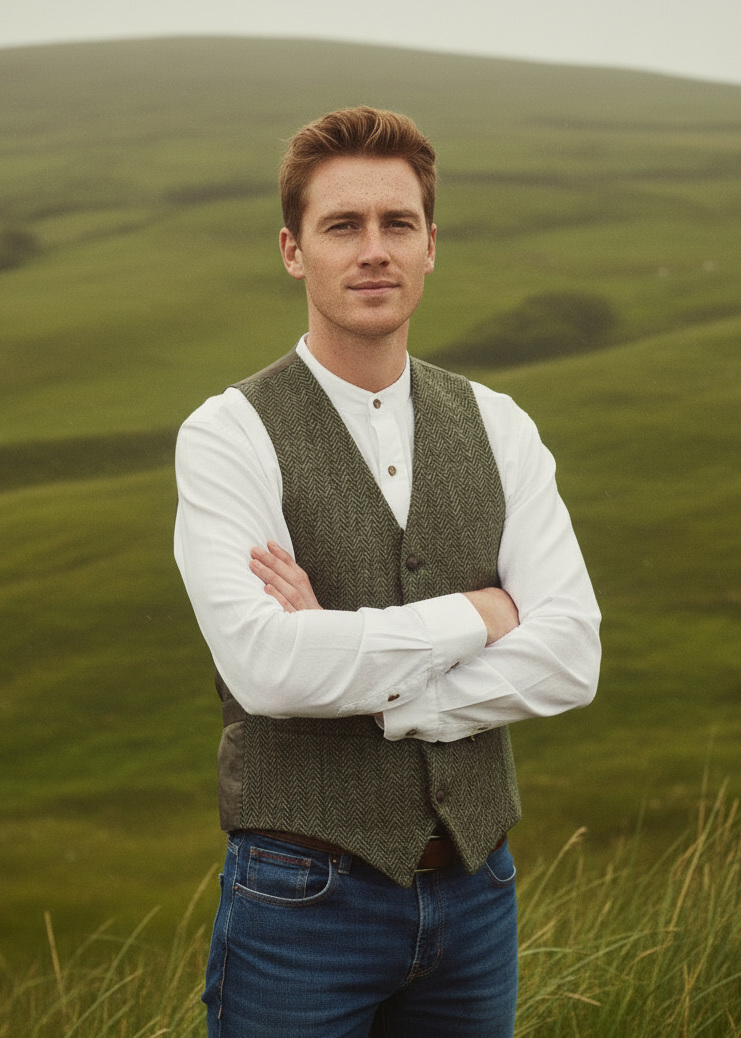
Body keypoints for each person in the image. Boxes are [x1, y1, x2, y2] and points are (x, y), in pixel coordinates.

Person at [174, 106, 601, 1038]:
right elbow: (267, 668)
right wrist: (482, 613)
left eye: (396, 224)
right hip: (300, 899)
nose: (373, 250)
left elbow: (571, 655)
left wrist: (382, 692)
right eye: (342, 226)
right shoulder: (227, 434)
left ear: (430, 245)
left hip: (477, 890)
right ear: (294, 251)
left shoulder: (498, 424)